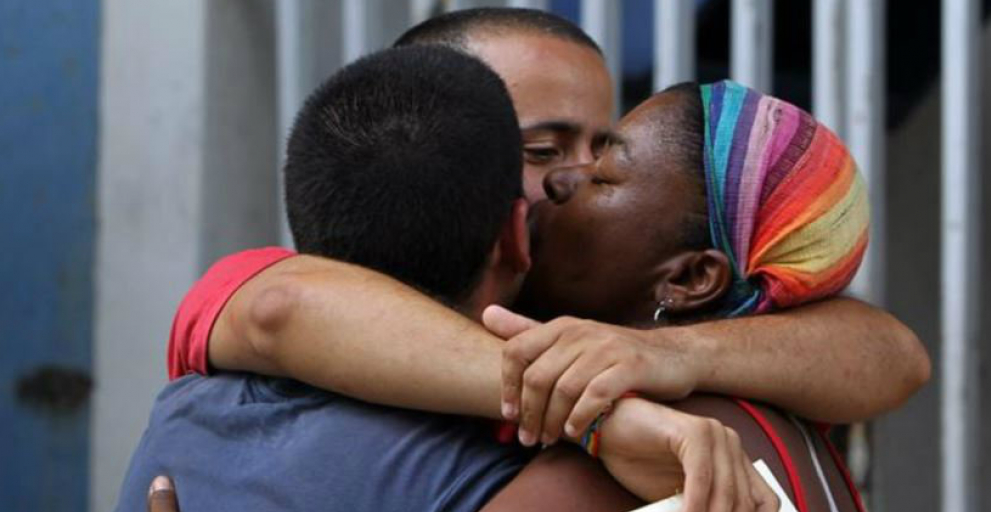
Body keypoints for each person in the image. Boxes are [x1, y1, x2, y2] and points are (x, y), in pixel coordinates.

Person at [66, 69, 911, 512]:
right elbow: (280, 306)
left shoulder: (669, 445)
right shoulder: (696, 413)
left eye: (601, 169)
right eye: (541, 157)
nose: (557, 183)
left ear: (692, 276)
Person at [168, 9, 929, 453]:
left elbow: (894, 355)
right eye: (541, 150)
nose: (576, 178)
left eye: (604, 153)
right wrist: (614, 421)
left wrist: (662, 354)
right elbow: (278, 309)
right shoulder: (289, 296)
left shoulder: (616, 334)